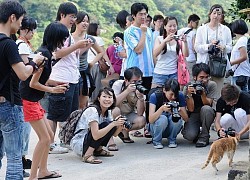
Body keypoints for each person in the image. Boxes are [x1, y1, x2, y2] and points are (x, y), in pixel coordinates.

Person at [0, 1, 45, 179]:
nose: (20, 25)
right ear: (12, 17)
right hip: (9, 106)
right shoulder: (9, 44)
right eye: (20, 20)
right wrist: (35, 63)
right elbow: (23, 74)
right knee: (14, 159)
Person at [20, 22, 69, 180]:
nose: (63, 43)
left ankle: (43, 170)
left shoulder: (46, 52)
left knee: (48, 135)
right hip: (29, 99)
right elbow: (33, 83)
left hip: (33, 99)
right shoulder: (44, 55)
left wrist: (56, 84)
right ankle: (33, 176)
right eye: (62, 39)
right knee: (45, 138)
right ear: (57, 38)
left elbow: (40, 79)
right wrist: (52, 90)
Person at [47, 2, 89, 154]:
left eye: (74, 17)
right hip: (60, 77)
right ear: (62, 15)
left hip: (72, 77)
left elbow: (70, 55)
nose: (73, 20)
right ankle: (50, 144)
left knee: (68, 113)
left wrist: (81, 48)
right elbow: (57, 54)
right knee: (54, 113)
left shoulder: (67, 33)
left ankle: (63, 140)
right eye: (71, 17)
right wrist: (77, 46)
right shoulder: (57, 31)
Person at [71, 87, 125, 164]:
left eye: (110, 97)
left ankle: (98, 150)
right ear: (99, 98)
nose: (107, 99)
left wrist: (119, 125)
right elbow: (95, 135)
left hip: (88, 141)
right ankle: (87, 155)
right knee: (107, 125)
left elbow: (115, 134)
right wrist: (113, 124)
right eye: (104, 96)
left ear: (113, 100)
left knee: (109, 125)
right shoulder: (93, 110)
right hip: (80, 142)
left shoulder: (108, 111)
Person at [195, 4, 232, 99]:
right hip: (204, 64)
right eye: (214, 13)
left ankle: (216, 111)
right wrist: (209, 46)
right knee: (203, 91)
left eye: (219, 13)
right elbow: (196, 47)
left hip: (219, 65)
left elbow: (230, 47)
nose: (216, 16)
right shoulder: (201, 29)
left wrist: (223, 47)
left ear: (222, 16)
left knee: (218, 92)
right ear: (210, 14)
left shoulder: (226, 30)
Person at [16, 16, 37, 177]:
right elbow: (26, 69)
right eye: (31, 30)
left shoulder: (23, 44)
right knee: (23, 128)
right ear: (23, 30)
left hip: (20, 91)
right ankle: (19, 161)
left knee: (24, 128)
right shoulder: (22, 45)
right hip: (22, 90)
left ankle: (22, 158)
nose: (33, 33)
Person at [71, 12, 104, 109]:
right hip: (71, 72)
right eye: (82, 21)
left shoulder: (89, 38)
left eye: (87, 21)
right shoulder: (70, 38)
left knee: (83, 104)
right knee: (72, 103)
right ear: (76, 22)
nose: (85, 23)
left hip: (84, 72)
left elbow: (100, 52)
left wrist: (92, 63)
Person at [182, 63, 217, 147]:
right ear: (195, 77)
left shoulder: (211, 85)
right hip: (194, 113)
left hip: (207, 113)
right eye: (201, 77)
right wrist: (189, 95)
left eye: (206, 77)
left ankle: (204, 136)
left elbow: (208, 104)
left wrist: (203, 94)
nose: (204, 80)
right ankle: (196, 133)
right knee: (190, 135)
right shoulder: (188, 86)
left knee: (206, 109)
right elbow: (190, 109)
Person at [148, 79, 188, 149]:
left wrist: (179, 110)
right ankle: (156, 141)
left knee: (177, 118)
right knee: (163, 119)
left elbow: (186, 119)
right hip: (155, 128)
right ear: (164, 90)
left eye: (176, 94)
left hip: (171, 128)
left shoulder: (180, 96)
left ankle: (172, 140)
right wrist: (161, 109)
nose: (173, 97)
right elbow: (151, 120)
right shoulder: (155, 96)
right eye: (171, 94)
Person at [124, 2, 154, 91]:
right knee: (134, 99)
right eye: (140, 14)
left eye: (145, 14)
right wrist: (143, 33)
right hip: (135, 72)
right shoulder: (129, 32)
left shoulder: (149, 30)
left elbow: (151, 51)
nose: (143, 17)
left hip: (149, 71)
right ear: (133, 15)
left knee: (145, 99)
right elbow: (138, 50)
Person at [112, 67, 146, 143]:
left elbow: (140, 113)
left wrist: (140, 98)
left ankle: (123, 130)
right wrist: (127, 91)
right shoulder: (118, 84)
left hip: (128, 114)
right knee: (115, 110)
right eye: (134, 81)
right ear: (126, 80)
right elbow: (113, 104)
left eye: (139, 81)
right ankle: (118, 132)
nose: (137, 84)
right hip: (116, 114)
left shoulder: (140, 89)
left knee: (142, 120)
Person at [152, 16, 188, 88]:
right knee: (156, 96)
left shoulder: (178, 40)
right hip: (160, 73)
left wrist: (185, 42)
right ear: (165, 26)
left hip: (173, 74)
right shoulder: (159, 39)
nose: (172, 28)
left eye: (174, 26)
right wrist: (165, 41)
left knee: (173, 97)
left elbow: (186, 54)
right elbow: (155, 53)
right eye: (170, 26)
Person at [87, 23, 114, 101]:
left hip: (87, 65)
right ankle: (95, 101)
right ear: (94, 29)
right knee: (97, 86)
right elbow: (103, 53)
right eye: (98, 29)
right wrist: (110, 66)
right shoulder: (98, 39)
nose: (99, 30)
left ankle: (88, 102)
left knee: (88, 86)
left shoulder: (86, 38)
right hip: (97, 65)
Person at [229, 19, 250, 92]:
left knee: (241, 96)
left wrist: (231, 63)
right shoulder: (244, 39)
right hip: (240, 72)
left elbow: (244, 56)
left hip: (240, 73)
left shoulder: (242, 41)